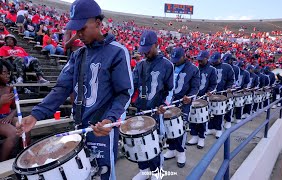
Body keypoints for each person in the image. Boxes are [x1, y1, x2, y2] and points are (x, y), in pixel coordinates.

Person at [16, 0, 133, 179]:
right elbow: (62, 88)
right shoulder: (78, 55)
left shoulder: (117, 51)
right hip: (78, 128)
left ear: (98, 23)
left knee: (104, 175)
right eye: (75, 28)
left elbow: (124, 93)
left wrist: (109, 119)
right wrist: (35, 115)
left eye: (82, 28)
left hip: (102, 129)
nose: (78, 33)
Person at [131, 30, 174, 180]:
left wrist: (164, 105)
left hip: (156, 110)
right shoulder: (140, 65)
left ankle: (157, 170)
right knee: (139, 142)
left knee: (154, 142)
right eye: (143, 50)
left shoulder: (167, 65)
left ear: (156, 45)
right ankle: (144, 169)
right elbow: (133, 87)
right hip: (141, 110)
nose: (145, 53)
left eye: (148, 49)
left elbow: (169, 90)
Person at [163, 47, 200, 168]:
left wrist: (189, 96)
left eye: (177, 59)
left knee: (180, 128)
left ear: (184, 56)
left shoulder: (193, 69)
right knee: (168, 127)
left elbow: (195, 87)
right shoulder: (170, 66)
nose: (175, 62)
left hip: (183, 102)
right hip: (168, 101)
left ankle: (180, 151)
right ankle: (171, 148)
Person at [187, 50, 216, 149]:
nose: (199, 61)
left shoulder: (212, 70)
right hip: (194, 96)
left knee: (202, 118)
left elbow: (213, 84)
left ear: (207, 58)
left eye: (201, 60)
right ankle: (194, 135)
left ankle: (201, 137)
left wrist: (210, 91)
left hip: (204, 97)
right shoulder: (195, 69)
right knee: (193, 117)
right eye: (198, 59)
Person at [207, 52, 234, 138]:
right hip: (211, 93)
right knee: (210, 111)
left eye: (215, 60)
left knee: (219, 112)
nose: (213, 62)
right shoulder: (210, 67)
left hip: (221, 92)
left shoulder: (227, 67)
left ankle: (219, 129)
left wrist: (229, 87)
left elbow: (231, 79)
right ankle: (211, 128)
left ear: (220, 59)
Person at [0, 60, 18, 162]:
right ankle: (2, 166)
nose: (7, 76)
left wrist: (10, 116)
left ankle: (24, 154)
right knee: (13, 132)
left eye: (8, 73)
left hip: (7, 116)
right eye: (4, 73)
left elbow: (16, 108)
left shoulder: (10, 89)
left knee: (25, 126)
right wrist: (1, 102)